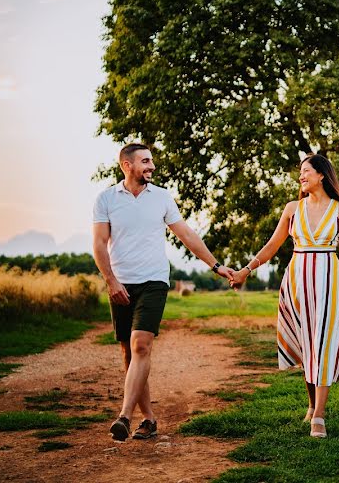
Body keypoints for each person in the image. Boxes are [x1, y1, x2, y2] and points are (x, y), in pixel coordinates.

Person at [93, 143, 239, 441]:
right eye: (145, 161)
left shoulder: (161, 197)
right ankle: (148, 419)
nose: (152, 167)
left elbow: (186, 234)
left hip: (153, 281)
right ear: (127, 165)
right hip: (120, 283)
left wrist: (216, 265)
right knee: (129, 353)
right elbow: (98, 244)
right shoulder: (106, 199)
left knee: (141, 346)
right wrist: (111, 281)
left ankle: (123, 415)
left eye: (152, 162)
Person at [230, 154, 339, 438]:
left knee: (324, 343)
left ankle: (320, 417)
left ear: (322, 175)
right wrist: (245, 270)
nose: (301, 177)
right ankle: (312, 405)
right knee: (306, 345)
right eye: (300, 172)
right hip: (297, 282)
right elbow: (272, 245)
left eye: (306, 172)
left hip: (330, 281)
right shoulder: (292, 209)